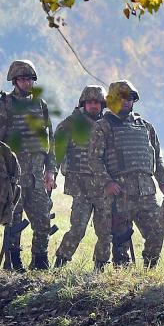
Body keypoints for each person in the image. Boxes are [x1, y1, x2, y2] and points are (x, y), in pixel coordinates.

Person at [89, 80, 164, 269]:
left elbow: (156, 158)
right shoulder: (103, 126)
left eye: (130, 98)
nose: (126, 102)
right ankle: (121, 272)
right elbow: (94, 160)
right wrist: (107, 182)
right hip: (119, 192)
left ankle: (149, 268)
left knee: (157, 230)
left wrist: (163, 183)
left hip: (146, 192)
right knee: (120, 239)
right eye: (122, 98)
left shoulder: (145, 126)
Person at [0, 59, 55, 270]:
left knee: (43, 220)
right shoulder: (2, 106)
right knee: (13, 222)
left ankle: (40, 260)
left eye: (29, 79)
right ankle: (14, 263)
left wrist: (51, 170)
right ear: (14, 81)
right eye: (22, 79)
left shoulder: (40, 105)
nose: (27, 83)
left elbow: (49, 141)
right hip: (13, 178)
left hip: (36, 177)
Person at [52, 86, 107, 268]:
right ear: (83, 103)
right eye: (90, 102)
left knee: (105, 231)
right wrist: (50, 174)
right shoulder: (70, 125)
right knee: (78, 229)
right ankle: (60, 262)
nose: (93, 106)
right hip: (81, 187)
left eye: (97, 102)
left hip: (102, 186)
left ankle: (100, 267)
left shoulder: (108, 124)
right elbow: (56, 153)